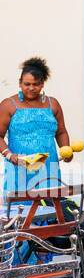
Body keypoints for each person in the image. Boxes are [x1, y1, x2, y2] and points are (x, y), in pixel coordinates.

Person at [0, 57, 71, 197]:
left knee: (50, 207)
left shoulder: (53, 104)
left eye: (36, 84)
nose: (31, 88)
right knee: (22, 210)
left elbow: (61, 132)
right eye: (27, 84)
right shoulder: (8, 105)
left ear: (42, 84)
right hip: (20, 166)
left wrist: (66, 150)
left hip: (49, 167)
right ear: (20, 83)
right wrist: (10, 155)